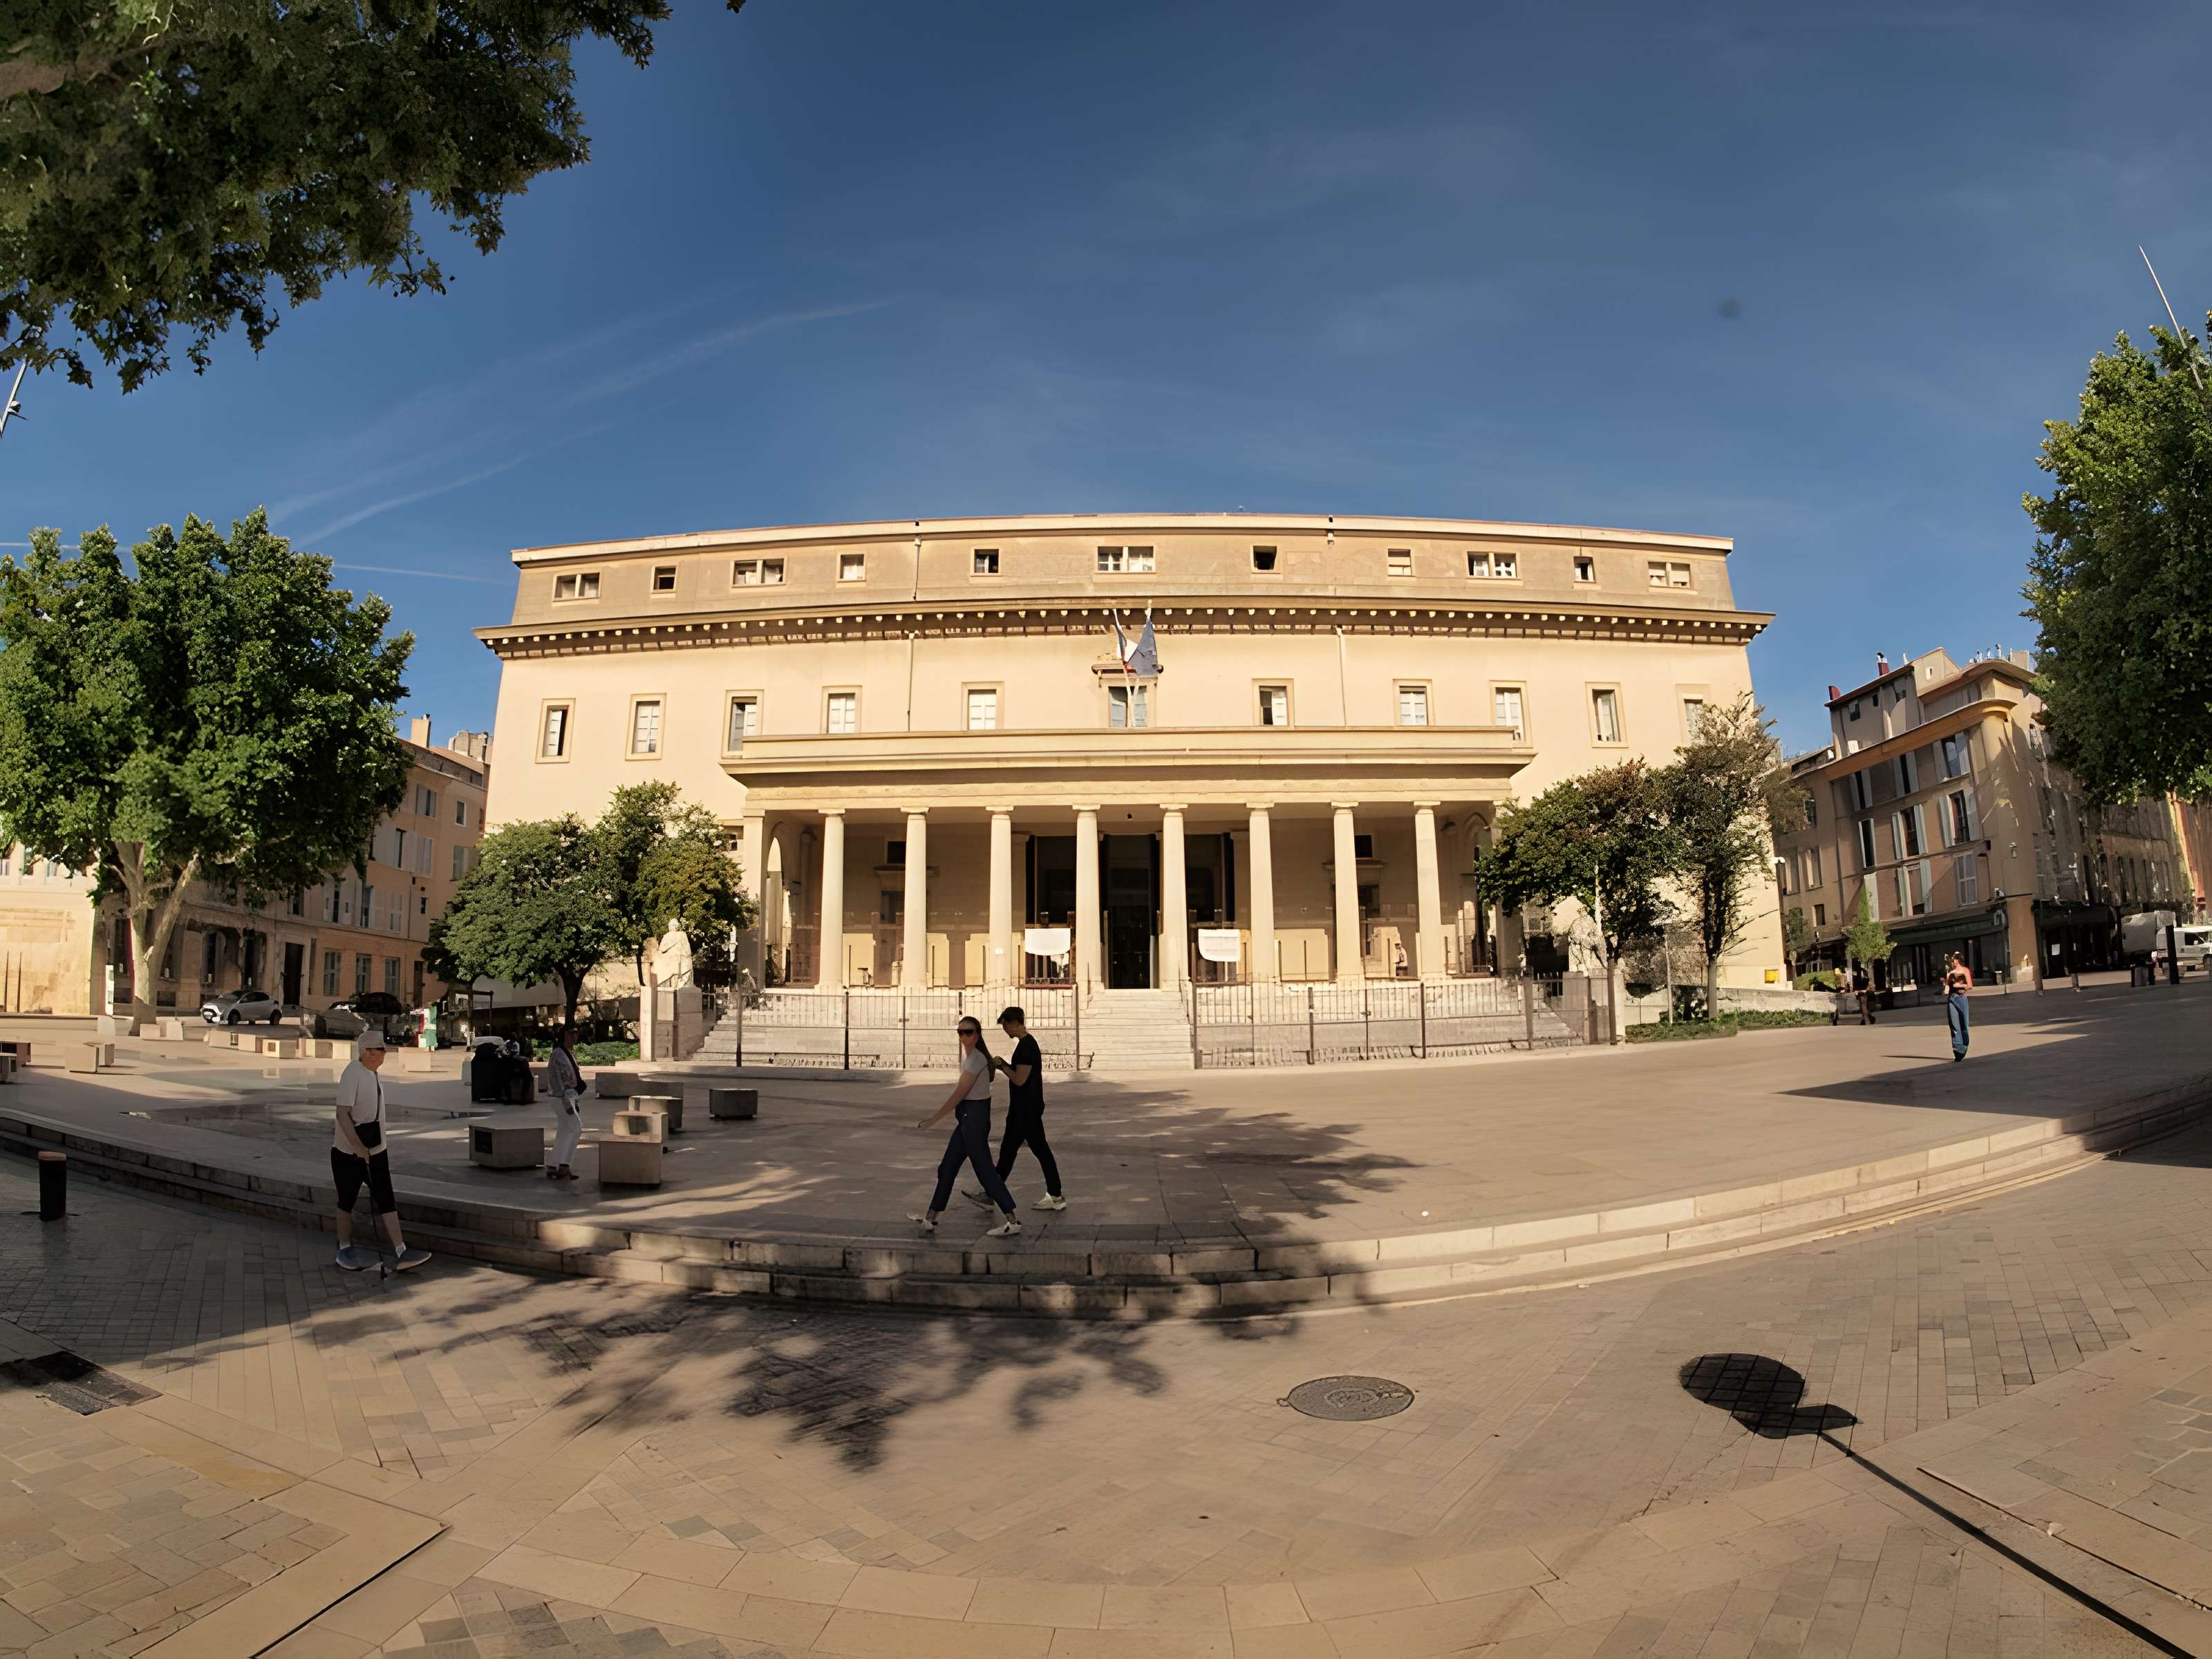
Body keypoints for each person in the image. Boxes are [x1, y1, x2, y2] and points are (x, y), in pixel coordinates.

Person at [909, 1017, 1021, 1237]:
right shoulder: (974, 1058)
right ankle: (931, 1217)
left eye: (968, 1032)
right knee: (947, 1167)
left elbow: (959, 1094)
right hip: (969, 1119)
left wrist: (933, 1119)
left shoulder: (975, 1060)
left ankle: (1013, 1220)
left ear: (977, 1035)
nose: (963, 1036)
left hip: (973, 1121)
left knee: (985, 1170)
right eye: (960, 1032)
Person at [332, 1032, 431, 1271]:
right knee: (346, 1199)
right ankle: (344, 1246)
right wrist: (357, 1147)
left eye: (382, 1049)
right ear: (367, 1052)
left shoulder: (372, 1074)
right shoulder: (352, 1073)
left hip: (376, 1150)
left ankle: (400, 1249)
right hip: (348, 1153)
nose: (383, 1053)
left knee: (386, 1197)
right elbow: (342, 1113)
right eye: (379, 1049)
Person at [964, 1006, 1067, 1213]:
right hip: (1027, 1109)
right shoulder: (1026, 1044)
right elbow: (1020, 1074)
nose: (1005, 1030)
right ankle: (1054, 1195)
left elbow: (1020, 1079)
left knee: (1014, 1152)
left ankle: (992, 1194)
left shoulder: (1027, 1047)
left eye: (1004, 1026)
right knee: (1024, 1152)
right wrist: (1005, 1065)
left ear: (1012, 1023)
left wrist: (1003, 1066)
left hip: (1025, 1112)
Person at [546, 1031, 585, 1180]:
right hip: (562, 1096)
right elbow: (554, 1077)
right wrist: (564, 1100)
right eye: (570, 1035)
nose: (574, 1039)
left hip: (569, 1095)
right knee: (575, 1127)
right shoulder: (558, 1053)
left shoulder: (566, 1052)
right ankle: (564, 1165)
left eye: (575, 1035)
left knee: (565, 1129)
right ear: (564, 1037)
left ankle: (554, 1164)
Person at [1944, 953, 1973, 1061]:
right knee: (1954, 1025)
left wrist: (1958, 985)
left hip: (1961, 999)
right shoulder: (1951, 973)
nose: (1952, 962)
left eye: (1953, 960)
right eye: (1951, 961)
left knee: (1963, 1024)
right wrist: (1947, 981)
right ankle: (1958, 1050)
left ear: (1958, 960)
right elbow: (1946, 990)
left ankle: (1964, 1045)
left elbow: (1970, 986)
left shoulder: (1965, 970)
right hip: (1952, 999)